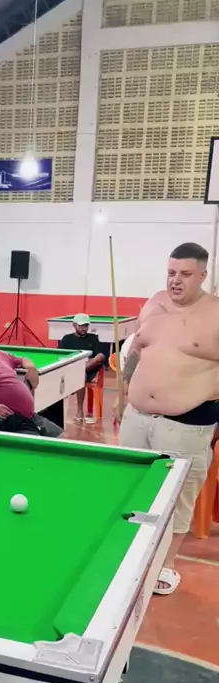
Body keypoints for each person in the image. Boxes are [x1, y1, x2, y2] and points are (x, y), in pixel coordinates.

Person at [118, 242, 219, 595]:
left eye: (185, 274)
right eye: (171, 272)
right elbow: (137, 348)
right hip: (136, 416)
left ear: (203, 275)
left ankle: (167, 564)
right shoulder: (154, 302)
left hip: (186, 423)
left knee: (177, 497)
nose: (176, 280)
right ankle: (128, 554)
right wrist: (125, 390)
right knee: (129, 486)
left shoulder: (216, 313)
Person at [59, 313, 105, 423]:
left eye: (86, 325)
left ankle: (80, 412)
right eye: (81, 326)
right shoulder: (67, 339)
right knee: (77, 373)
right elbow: (60, 356)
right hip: (71, 368)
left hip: (89, 369)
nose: (84, 328)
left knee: (85, 370)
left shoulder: (93, 338)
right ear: (74, 325)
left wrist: (86, 364)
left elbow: (100, 356)